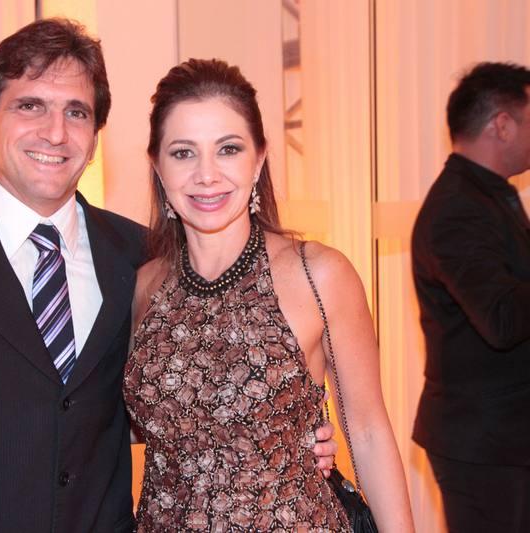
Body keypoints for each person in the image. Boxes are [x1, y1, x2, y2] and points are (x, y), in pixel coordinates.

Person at [0, 19, 337, 532]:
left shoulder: (143, 258)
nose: (55, 132)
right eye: (30, 106)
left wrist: (279, 434)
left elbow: (177, 397)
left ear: (94, 139)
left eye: (76, 112)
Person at [124, 58, 414, 532]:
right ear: (157, 166)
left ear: (259, 159)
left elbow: (367, 432)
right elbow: (137, 424)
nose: (206, 174)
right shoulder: (143, 288)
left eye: (228, 149)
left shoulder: (318, 273)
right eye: (183, 153)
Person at [412, 62, 530, 532]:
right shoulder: (457, 208)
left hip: (503, 436)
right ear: (502, 124)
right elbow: (502, 318)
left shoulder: (487, 195)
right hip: (484, 442)